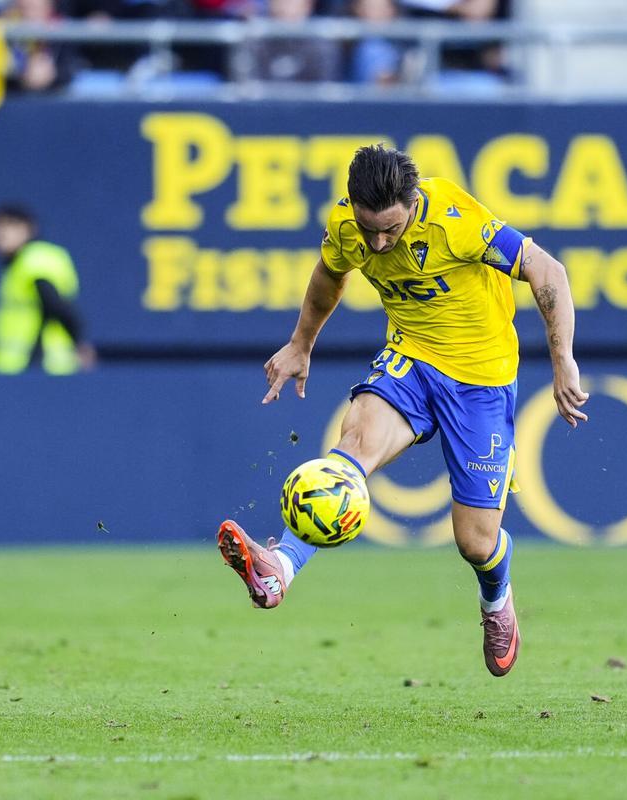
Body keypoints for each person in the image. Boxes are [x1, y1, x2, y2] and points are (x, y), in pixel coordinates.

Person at [216, 144, 589, 677]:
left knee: (475, 542)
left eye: (389, 229)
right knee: (349, 453)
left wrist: (563, 364)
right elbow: (329, 275)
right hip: (410, 357)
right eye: (369, 230)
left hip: (480, 382)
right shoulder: (348, 225)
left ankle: (496, 600)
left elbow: (547, 272)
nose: (378, 242)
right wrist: (300, 343)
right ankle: (281, 569)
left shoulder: (453, 217)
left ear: (413, 202)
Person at [0, 204, 96, 375]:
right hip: (18, 369)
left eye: (10, 225)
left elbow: (56, 306)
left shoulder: (35, 259)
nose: (1, 233)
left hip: (41, 368)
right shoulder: (17, 265)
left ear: (29, 229)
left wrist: (78, 344)